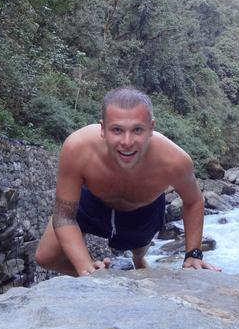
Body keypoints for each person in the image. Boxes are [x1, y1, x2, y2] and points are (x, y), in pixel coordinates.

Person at [35, 86, 221, 276]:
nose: (127, 142)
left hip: (143, 213)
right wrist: (87, 268)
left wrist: (193, 254)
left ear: (151, 128)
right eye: (117, 130)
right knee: (45, 257)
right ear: (102, 129)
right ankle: (103, 271)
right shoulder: (78, 148)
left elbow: (193, 201)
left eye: (137, 130)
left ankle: (138, 259)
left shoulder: (174, 161)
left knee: (138, 254)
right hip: (92, 201)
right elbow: (64, 216)